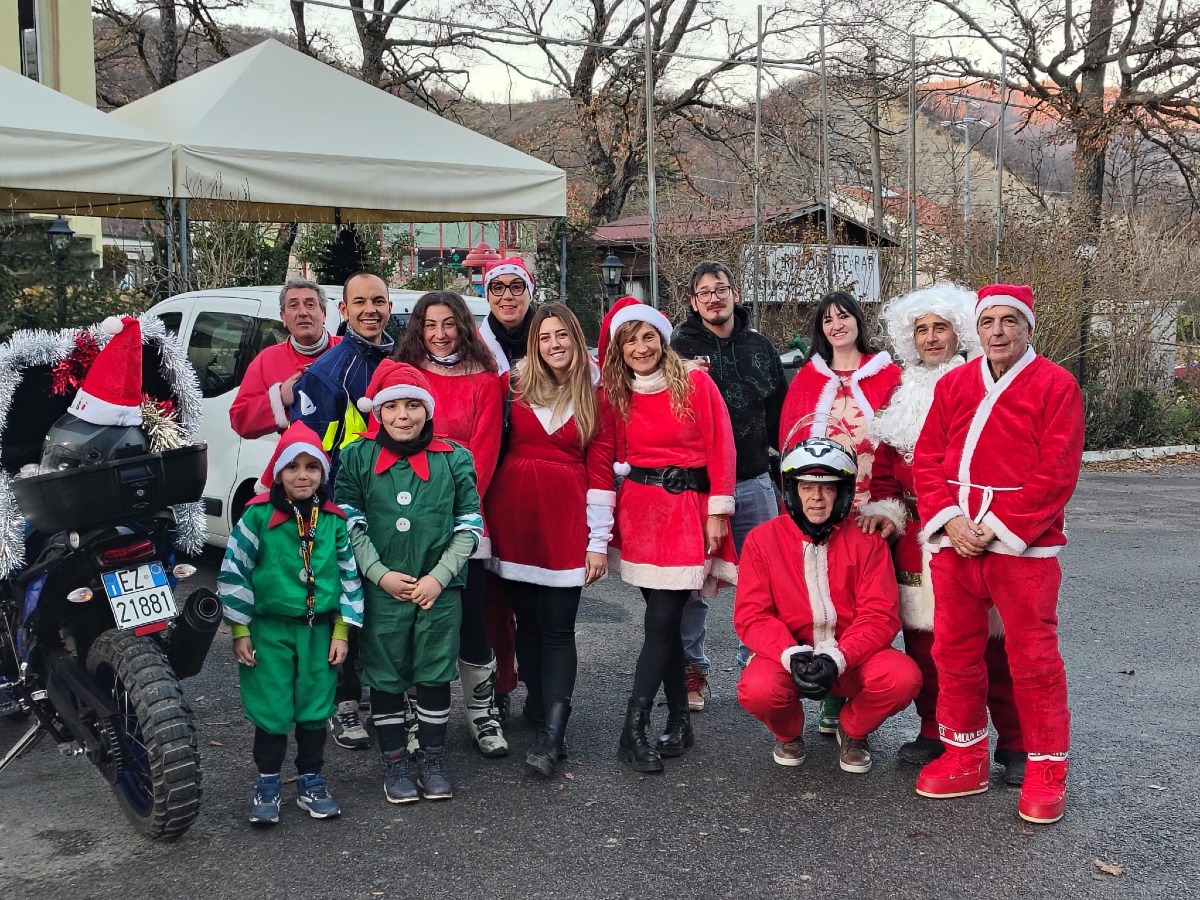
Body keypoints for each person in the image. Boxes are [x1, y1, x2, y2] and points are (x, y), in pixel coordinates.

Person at [912, 284, 1084, 825]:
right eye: (989, 323)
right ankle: (963, 753)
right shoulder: (956, 383)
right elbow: (927, 457)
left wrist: (997, 528)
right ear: (978, 329)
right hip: (954, 539)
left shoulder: (1057, 385)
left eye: (1010, 321)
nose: (999, 332)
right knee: (953, 652)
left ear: (1028, 328)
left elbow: (1057, 472)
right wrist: (951, 519)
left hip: (1021, 545)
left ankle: (1046, 766)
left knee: (1033, 659)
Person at [861, 284, 1026, 782]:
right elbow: (888, 465)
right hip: (916, 531)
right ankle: (937, 729)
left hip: (977, 526)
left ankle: (1015, 741)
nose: (932, 338)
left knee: (993, 644)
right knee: (924, 641)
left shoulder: (981, 383)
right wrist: (888, 511)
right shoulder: (902, 391)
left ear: (960, 332)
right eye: (922, 330)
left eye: (941, 327)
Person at [599, 297, 737, 774]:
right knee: (666, 624)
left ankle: (631, 730)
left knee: (661, 621)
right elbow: (606, 448)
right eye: (630, 339)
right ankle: (679, 720)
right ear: (619, 347)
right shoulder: (617, 391)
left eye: (648, 336)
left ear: (662, 338)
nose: (640, 347)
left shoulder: (694, 381)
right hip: (641, 512)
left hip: (687, 512)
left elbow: (722, 444)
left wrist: (719, 510)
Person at [335, 361, 483, 803]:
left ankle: (433, 756)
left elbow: (470, 524)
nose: (404, 415)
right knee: (385, 676)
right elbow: (348, 524)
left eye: (413, 405)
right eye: (393, 406)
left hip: (438, 592)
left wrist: (439, 578)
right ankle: (395, 761)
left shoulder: (455, 457)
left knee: (435, 672)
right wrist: (378, 574)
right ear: (377, 413)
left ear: (428, 410)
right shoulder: (356, 457)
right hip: (383, 592)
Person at [735, 437, 921, 772]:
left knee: (902, 677)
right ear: (792, 490)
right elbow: (752, 616)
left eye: (827, 488)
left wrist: (838, 657)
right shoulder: (761, 541)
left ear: (843, 492)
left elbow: (879, 615)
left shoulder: (868, 540)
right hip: (792, 656)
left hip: (851, 659)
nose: (816, 499)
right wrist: (790, 653)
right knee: (757, 689)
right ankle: (789, 733)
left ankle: (852, 730)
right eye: (806, 487)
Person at [485, 304, 615, 777]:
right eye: (544, 337)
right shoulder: (512, 387)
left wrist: (597, 541)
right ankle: (538, 705)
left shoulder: (597, 397)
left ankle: (554, 731)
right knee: (526, 623)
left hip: (565, 522)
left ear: (576, 341)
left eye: (562, 335)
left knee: (558, 627)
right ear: (534, 345)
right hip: (514, 519)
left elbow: (601, 471)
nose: (554, 344)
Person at [218, 421, 365, 824]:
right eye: (293, 467)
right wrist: (240, 629)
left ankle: (310, 780)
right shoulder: (257, 517)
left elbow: (349, 576)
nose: (303, 475)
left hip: (319, 633)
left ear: (323, 473)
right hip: (269, 631)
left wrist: (341, 631)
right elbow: (234, 572)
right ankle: (267, 783)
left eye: (312, 467)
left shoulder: (334, 521)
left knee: (315, 708)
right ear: (278, 472)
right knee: (272, 709)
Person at [778, 290, 901, 736]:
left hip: (873, 503)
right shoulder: (808, 379)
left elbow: (900, 442)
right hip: (822, 503)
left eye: (844, 316)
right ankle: (827, 689)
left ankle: (850, 695)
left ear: (857, 322)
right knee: (826, 596)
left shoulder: (888, 376)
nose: (837, 326)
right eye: (828, 320)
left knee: (866, 603)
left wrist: (892, 505)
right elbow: (791, 441)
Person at [394, 291, 508, 758]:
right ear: (418, 329)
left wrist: (452, 511)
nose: (440, 335)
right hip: (408, 516)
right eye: (430, 325)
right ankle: (419, 718)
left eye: (449, 324)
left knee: (472, 620)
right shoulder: (407, 378)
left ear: (464, 326)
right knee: (415, 622)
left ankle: (483, 715)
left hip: (463, 517)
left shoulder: (484, 382)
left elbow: (483, 454)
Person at [671, 260, 788, 704]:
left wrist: (784, 472)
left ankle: (756, 664)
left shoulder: (760, 346)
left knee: (761, 581)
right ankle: (692, 670)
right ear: (693, 302)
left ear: (735, 293)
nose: (714, 298)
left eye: (720, 289)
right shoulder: (678, 348)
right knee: (693, 584)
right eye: (704, 292)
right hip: (698, 488)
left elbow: (777, 409)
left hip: (755, 480)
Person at [292, 270, 394, 751]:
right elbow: (307, 452)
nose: (370, 310)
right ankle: (345, 702)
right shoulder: (328, 371)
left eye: (379, 301)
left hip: (393, 507)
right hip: (341, 508)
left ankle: (381, 693)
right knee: (342, 607)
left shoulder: (402, 360)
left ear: (389, 306)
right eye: (361, 302)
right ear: (344, 309)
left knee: (381, 607)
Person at [476, 257, 537, 719]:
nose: (508, 296)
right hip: (490, 479)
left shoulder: (552, 336)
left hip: (539, 480)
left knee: (536, 592)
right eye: (498, 289)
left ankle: (540, 682)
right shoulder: (476, 346)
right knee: (494, 593)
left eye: (517, 286)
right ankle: (500, 684)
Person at [229, 279, 341, 439]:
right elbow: (240, 420)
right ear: (283, 317)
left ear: (323, 314)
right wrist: (279, 398)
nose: (303, 312)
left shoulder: (348, 351)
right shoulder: (267, 360)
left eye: (310, 304)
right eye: (294, 305)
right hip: (300, 460)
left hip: (350, 461)